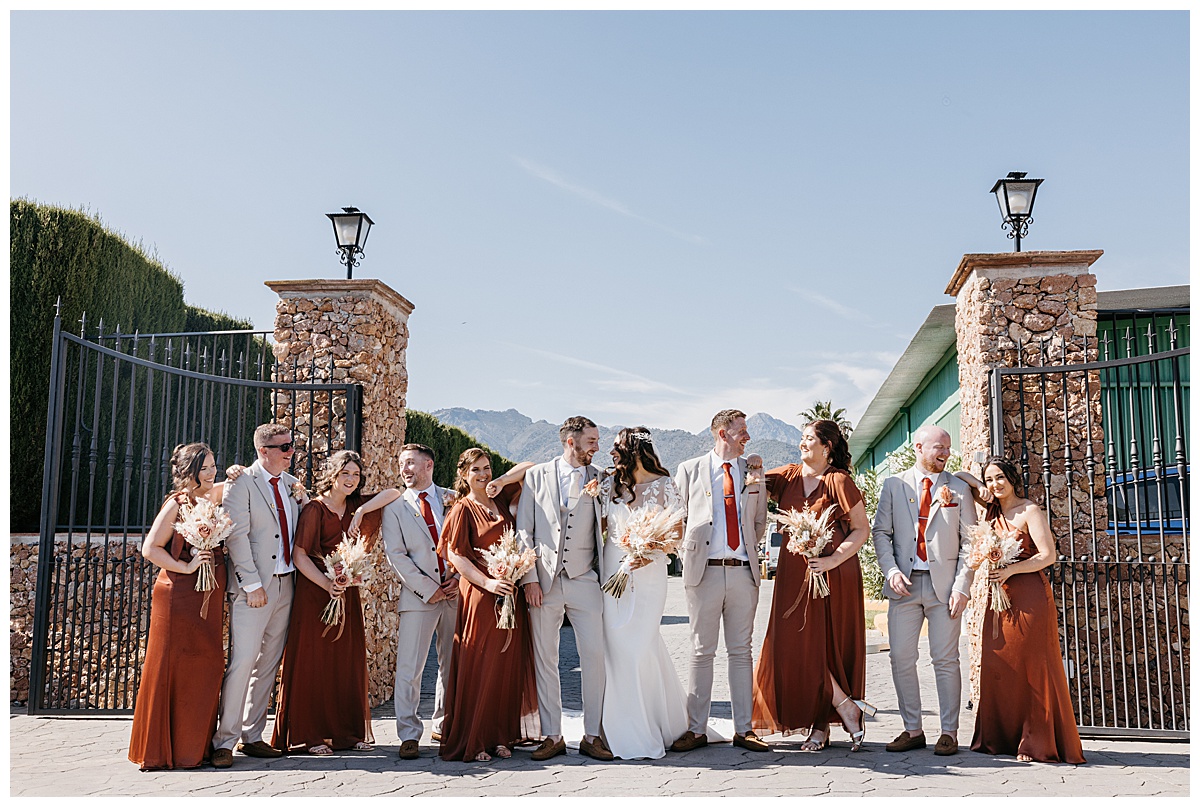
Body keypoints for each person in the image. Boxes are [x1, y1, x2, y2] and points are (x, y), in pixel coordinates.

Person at [751, 420, 875, 751]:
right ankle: (845, 706)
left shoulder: (838, 480)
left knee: (823, 646)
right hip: (793, 574)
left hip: (833, 574)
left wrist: (833, 561)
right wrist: (749, 464)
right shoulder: (788, 475)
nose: (803, 443)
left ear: (827, 447)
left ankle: (821, 727)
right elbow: (749, 481)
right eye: (802, 438)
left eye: (809, 439)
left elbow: (861, 529)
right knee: (793, 644)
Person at [270, 450, 392, 755]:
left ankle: (348, 734)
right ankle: (311, 736)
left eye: (355, 475)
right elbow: (300, 556)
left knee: (344, 660)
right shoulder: (314, 509)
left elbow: (394, 493)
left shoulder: (355, 507)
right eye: (345, 474)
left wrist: (362, 513)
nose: (351, 480)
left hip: (346, 592)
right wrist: (327, 584)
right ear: (332, 475)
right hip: (315, 594)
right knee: (315, 661)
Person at [966, 458, 1086, 764]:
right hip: (999, 599)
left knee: (1032, 666)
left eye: (1000, 477)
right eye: (990, 479)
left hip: (1029, 595)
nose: (995, 484)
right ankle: (1000, 739)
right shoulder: (992, 512)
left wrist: (1011, 570)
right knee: (1001, 666)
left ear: (1012, 478)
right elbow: (962, 475)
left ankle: (1035, 743)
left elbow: (1048, 556)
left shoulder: (1029, 510)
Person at [871, 424, 977, 756]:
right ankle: (912, 729)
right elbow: (880, 534)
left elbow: (971, 542)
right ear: (919, 447)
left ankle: (949, 732)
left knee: (946, 659)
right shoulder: (893, 485)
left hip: (944, 588)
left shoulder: (958, 488)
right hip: (903, 586)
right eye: (938, 448)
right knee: (901, 658)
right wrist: (890, 571)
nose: (945, 453)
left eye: (947, 448)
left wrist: (962, 587)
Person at [671, 409, 770, 753]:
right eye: (741, 431)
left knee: (742, 652)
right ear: (721, 433)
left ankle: (745, 730)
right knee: (701, 651)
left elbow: (759, 522)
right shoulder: (689, 470)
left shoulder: (753, 472)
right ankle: (696, 729)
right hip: (703, 573)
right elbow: (677, 518)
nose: (747, 437)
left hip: (743, 572)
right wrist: (690, 555)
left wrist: (744, 550)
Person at [516, 416, 612, 762]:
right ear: (570, 441)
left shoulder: (601, 478)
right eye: (591, 440)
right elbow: (524, 530)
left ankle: (593, 735)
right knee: (546, 659)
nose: (597, 446)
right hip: (545, 581)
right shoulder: (537, 475)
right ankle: (552, 735)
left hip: (586, 578)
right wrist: (529, 579)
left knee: (595, 659)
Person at [357, 443, 461, 760]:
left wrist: (457, 578)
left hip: (456, 593)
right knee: (409, 668)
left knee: (453, 664)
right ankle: (408, 733)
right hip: (419, 598)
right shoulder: (395, 507)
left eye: (411, 463)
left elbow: (464, 542)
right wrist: (428, 588)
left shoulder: (453, 499)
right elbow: (396, 556)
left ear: (428, 465)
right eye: (402, 463)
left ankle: (443, 725)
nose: (405, 469)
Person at [128, 443, 227, 770]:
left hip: (207, 596)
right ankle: (161, 751)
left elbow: (239, 482)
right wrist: (185, 567)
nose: (213, 472)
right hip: (177, 596)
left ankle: (194, 748)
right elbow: (150, 548)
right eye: (206, 467)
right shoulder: (177, 503)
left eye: (214, 466)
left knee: (208, 663)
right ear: (190, 471)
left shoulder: (212, 500)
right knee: (172, 666)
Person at [438, 448, 540, 762]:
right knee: (480, 663)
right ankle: (475, 738)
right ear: (464, 475)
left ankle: (499, 735)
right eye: (476, 470)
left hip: (510, 592)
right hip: (482, 595)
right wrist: (489, 583)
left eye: (486, 468)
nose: (483, 475)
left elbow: (532, 465)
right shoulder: (462, 509)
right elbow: (456, 556)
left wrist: (503, 479)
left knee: (505, 664)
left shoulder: (498, 498)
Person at [212, 424, 305, 768]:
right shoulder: (241, 482)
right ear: (263, 451)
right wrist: (251, 586)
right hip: (256, 589)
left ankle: (252, 737)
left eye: (291, 446)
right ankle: (225, 740)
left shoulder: (292, 484)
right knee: (243, 663)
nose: (291, 451)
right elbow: (236, 536)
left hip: (287, 584)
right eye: (284, 447)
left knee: (267, 665)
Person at [598, 427, 689, 760]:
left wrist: (648, 549)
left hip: (649, 573)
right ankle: (615, 728)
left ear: (634, 450)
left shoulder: (666, 485)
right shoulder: (610, 486)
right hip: (613, 571)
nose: (611, 453)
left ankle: (647, 724)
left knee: (640, 645)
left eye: (617, 447)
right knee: (616, 647)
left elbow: (676, 534)